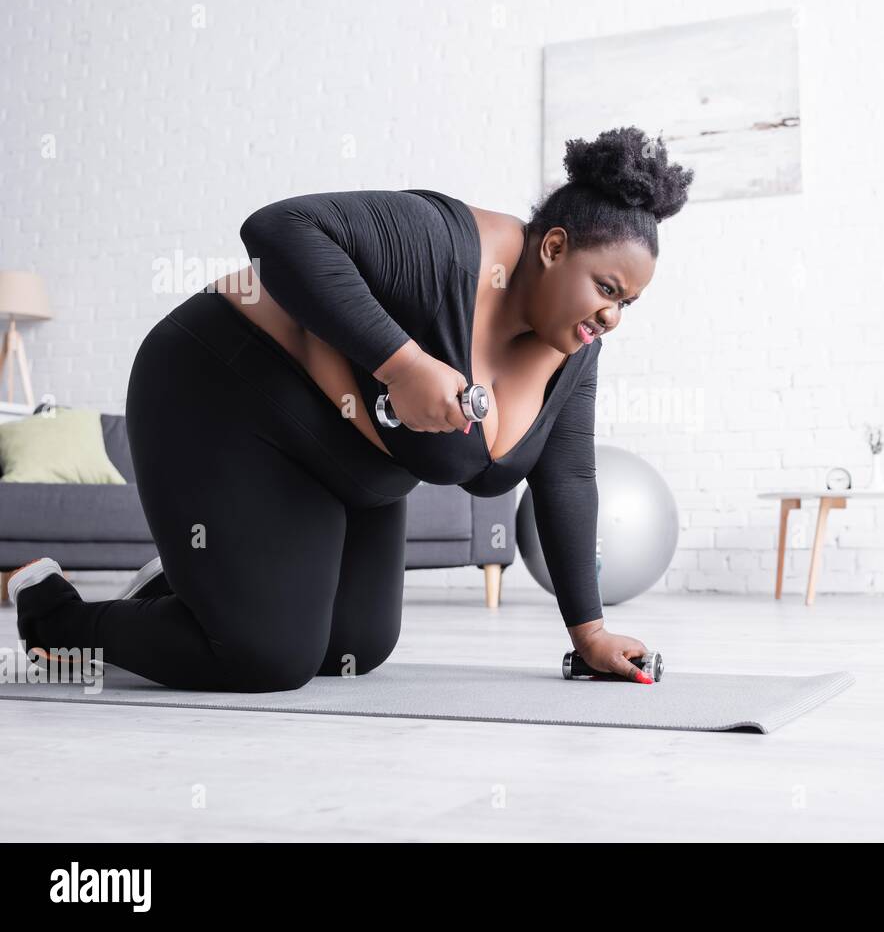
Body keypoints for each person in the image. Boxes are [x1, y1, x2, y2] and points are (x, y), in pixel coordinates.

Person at [8, 125, 694, 693]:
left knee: (355, 646)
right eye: (607, 287)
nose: (612, 316)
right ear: (553, 248)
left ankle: (191, 581)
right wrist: (404, 363)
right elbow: (278, 228)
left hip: (342, 466)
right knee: (266, 658)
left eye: (626, 303)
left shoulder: (573, 351)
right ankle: (57, 617)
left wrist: (590, 633)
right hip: (221, 385)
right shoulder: (442, 244)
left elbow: (568, 478)